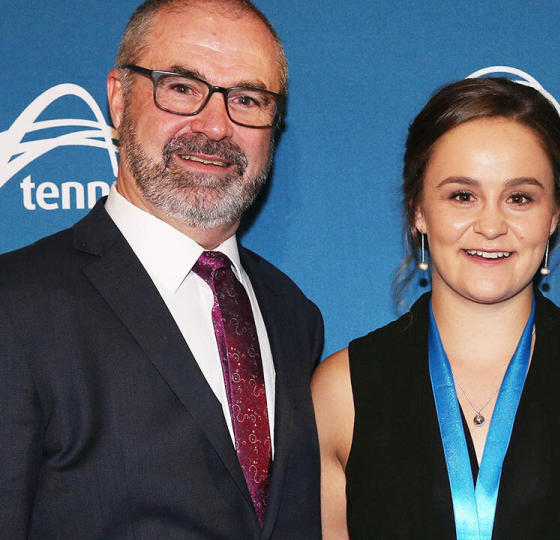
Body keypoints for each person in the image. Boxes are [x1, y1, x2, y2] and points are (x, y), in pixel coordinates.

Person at [0, 0, 324, 537]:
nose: (216, 125)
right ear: (120, 100)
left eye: (247, 98)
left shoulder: (293, 315)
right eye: (182, 88)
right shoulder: (16, 306)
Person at [312, 77, 560, 539]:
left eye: (520, 198)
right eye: (462, 195)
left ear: (554, 214)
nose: (491, 225)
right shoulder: (343, 391)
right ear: (418, 208)